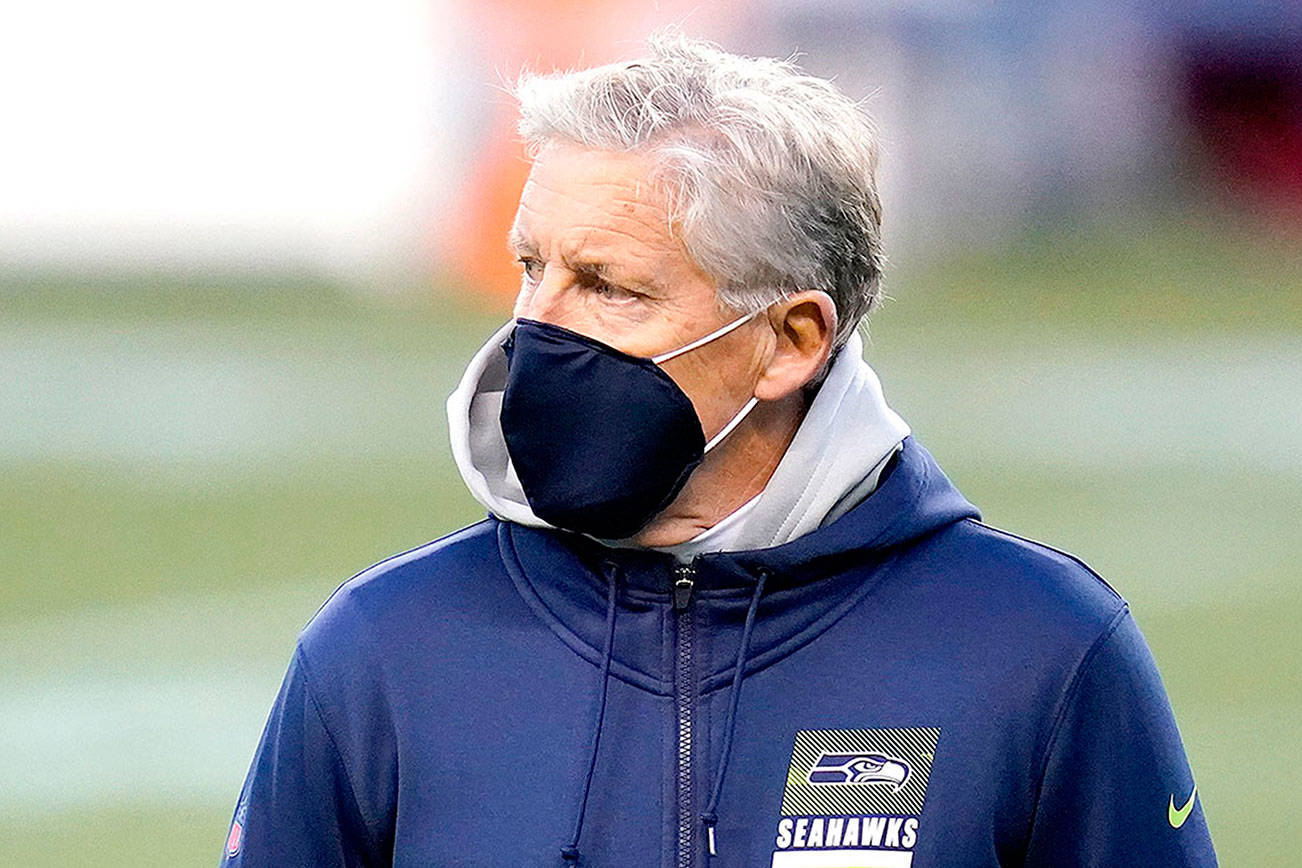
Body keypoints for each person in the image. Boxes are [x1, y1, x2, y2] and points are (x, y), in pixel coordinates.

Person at [222, 32, 1217, 867]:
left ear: (791, 340)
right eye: (531, 267)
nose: (537, 328)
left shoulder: (1039, 649)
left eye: (609, 285)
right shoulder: (382, 649)